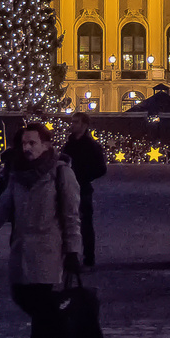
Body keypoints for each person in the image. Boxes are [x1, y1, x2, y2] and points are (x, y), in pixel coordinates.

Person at [0, 122, 83, 338]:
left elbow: (71, 215)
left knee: (42, 300)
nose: (27, 148)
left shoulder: (61, 173)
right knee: (21, 295)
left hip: (49, 247)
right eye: (23, 143)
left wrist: (74, 250)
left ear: (46, 145)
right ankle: (60, 328)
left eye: (32, 143)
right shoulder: (17, 174)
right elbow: (2, 208)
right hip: (21, 246)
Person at [62, 113, 107, 268]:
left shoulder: (91, 146)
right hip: (67, 187)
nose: (72, 125)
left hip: (82, 189)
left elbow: (101, 168)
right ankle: (69, 255)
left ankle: (89, 257)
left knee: (85, 224)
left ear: (84, 125)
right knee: (67, 222)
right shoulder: (69, 144)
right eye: (72, 122)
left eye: (76, 122)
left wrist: (84, 176)